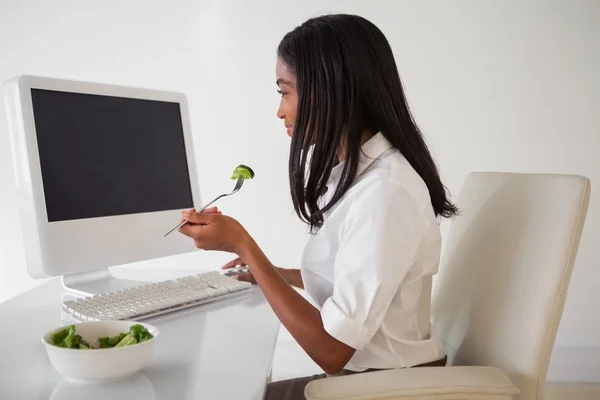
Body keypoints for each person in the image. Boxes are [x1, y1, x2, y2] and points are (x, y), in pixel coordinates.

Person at [178, 13, 458, 400]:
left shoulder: (386, 193)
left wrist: (245, 246)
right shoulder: (359, 174)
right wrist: (275, 274)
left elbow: (332, 351)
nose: (280, 110)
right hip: (371, 379)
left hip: (389, 388)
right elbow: (357, 279)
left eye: (285, 91)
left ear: (331, 90)